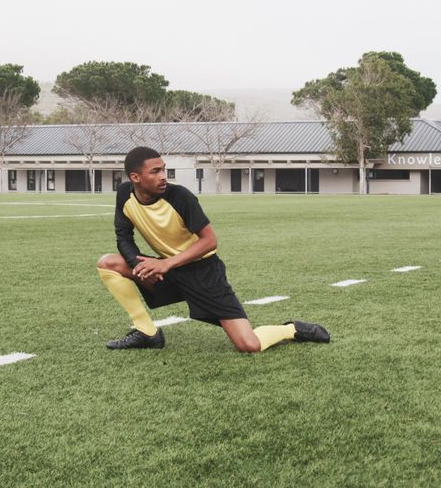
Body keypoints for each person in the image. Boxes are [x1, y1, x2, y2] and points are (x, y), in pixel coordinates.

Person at [95, 146, 330, 352]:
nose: (163, 176)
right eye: (155, 172)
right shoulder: (125, 194)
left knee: (249, 345)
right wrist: (140, 266)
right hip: (167, 272)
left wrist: (166, 263)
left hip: (203, 273)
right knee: (108, 263)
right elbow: (123, 236)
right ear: (135, 177)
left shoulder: (179, 197)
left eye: (164, 169)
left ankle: (291, 329)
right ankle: (147, 333)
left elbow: (210, 241)